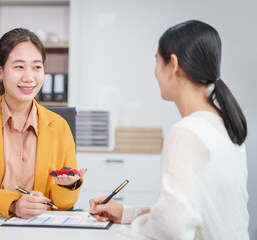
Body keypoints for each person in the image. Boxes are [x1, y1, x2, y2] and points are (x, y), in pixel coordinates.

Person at [89, 20, 249, 239]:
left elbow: (170, 229)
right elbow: (191, 213)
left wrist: (123, 232)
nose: (155, 71)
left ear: (173, 64)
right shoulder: (225, 124)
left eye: (156, 61)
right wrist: (127, 213)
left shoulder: (186, 132)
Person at [0, 28, 87, 219]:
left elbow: (63, 204)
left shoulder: (59, 127)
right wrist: (13, 204)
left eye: (37, 67)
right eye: (19, 67)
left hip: (39, 226)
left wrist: (68, 185)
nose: (29, 78)